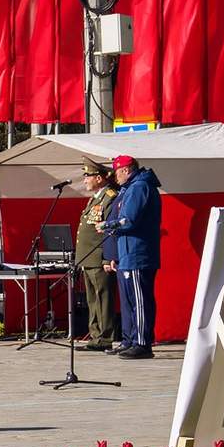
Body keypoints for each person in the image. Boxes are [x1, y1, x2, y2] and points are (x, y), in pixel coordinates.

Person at [103, 153, 163, 359]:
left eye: (117, 173)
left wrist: (108, 225)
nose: (115, 178)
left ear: (126, 171)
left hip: (138, 252)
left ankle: (143, 343)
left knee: (140, 299)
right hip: (129, 251)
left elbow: (128, 220)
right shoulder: (131, 188)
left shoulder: (139, 188)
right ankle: (130, 339)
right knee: (131, 299)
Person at [75, 162, 119, 350]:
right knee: (93, 299)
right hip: (89, 257)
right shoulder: (96, 198)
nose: (85, 180)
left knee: (103, 298)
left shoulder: (110, 197)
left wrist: (106, 257)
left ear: (99, 178)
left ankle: (105, 338)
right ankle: (95, 336)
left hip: (100, 256)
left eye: (88, 176)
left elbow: (110, 231)